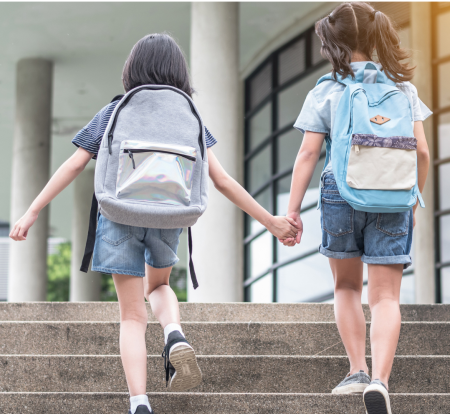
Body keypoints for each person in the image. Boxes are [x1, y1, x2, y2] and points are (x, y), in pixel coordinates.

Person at [9, 33, 299, 414]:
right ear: (179, 72)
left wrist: (32, 211)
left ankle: (140, 402)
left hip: (119, 215)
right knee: (159, 286)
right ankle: (174, 332)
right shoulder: (190, 115)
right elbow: (222, 180)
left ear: (132, 70)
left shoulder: (114, 110)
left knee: (131, 315)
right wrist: (270, 222)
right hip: (169, 215)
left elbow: (75, 164)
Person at [280, 3, 431, 414]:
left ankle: (357, 371)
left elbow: (309, 153)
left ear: (335, 45)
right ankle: (381, 381)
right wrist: (412, 199)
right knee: (385, 297)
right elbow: (421, 151)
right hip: (393, 196)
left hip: (341, 194)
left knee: (347, 287)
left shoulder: (327, 89)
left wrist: (292, 211)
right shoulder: (405, 90)